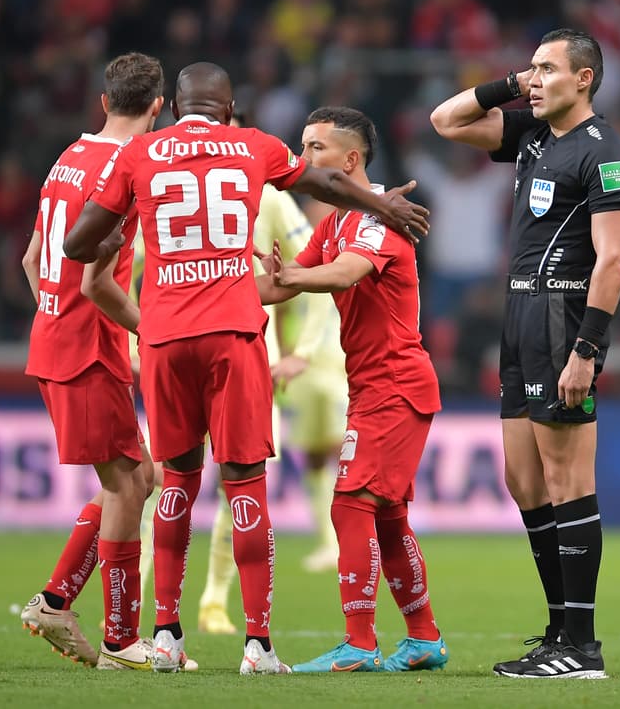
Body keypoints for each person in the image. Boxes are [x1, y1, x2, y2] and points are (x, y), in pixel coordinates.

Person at [62, 62, 430, 675]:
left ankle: (168, 636)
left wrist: (115, 235)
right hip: (233, 334)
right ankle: (258, 645)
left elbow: (78, 245)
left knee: (177, 479)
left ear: (175, 107)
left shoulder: (143, 154)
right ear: (229, 108)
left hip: (164, 334)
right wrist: (377, 202)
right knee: (244, 481)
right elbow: (322, 186)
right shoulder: (253, 145)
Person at [429, 29, 620, 679]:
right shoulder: (534, 136)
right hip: (518, 314)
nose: (535, 77)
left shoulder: (603, 152)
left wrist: (587, 350)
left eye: (548, 68)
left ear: (585, 79)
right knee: (523, 481)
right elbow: (446, 120)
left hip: (561, 317)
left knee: (567, 475)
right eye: (532, 67)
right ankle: (558, 631)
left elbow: (615, 258)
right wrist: (509, 86)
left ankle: (583, 644)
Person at [266, 106, 448, 674]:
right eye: (302, 145)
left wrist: (291, 278)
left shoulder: (376, 220)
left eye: (315, 148)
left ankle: (360, 643)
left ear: (349, 161)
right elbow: (279, 283)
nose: (304, 159)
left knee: (350, 504)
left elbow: (343, 274)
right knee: (388, 516)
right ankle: (423, 639)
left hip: (396, 385)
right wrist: (206, 292)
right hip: (374, 387)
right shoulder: (335, 222)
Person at [19, 52, 170, 671]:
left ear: (104, 101)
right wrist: (153, 331)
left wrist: (56, 320)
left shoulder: (67, 158)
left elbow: (32, 261)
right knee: (127, 484)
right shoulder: (130, 167)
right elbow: (96, 285)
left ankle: (57, 600)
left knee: (140, 480)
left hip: (60, 342)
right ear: (158, 107)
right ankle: (117, 637)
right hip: (89, 348)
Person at [195, 112, 347, 636]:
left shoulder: (274, 198)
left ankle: (213, 600)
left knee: (234, 480)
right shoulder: (165, 187)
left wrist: (299, 348)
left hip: (250, 357)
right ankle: (137, 615)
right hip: (179, 353)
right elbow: (128, 271)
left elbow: (315, 268)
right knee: (157, 484)